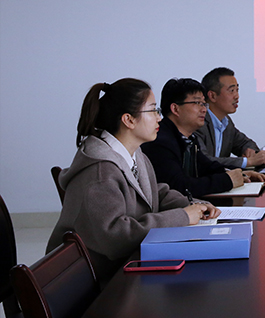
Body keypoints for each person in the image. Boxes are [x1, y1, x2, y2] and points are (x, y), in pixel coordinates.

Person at [47, 78, 221, 282]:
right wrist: (182, 216)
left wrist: (192, 205)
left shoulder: (135, 154)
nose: (159, 118)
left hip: (123, 266)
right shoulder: (100, 172)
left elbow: (154, 193)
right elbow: (116, 236)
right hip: (94, 283)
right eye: (153, 110)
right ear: (128, 120)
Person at [141, 78, 265, 198]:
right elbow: (178, 187)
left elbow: (207, 167)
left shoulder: (189, 139)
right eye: (197, 103)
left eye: (204, 104)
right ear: (175, 109)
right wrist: (227, 180)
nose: (204, 110)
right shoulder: (160, 141)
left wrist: (240, 174)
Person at [194, 67, 265, 168]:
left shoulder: (225, 122)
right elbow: (204, 160)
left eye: (237, 90)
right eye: (231, 91)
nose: (236, 96)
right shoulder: (198, 122)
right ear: (212, 96)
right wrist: (247, 162)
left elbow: (245, 143)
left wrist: (249, 150)